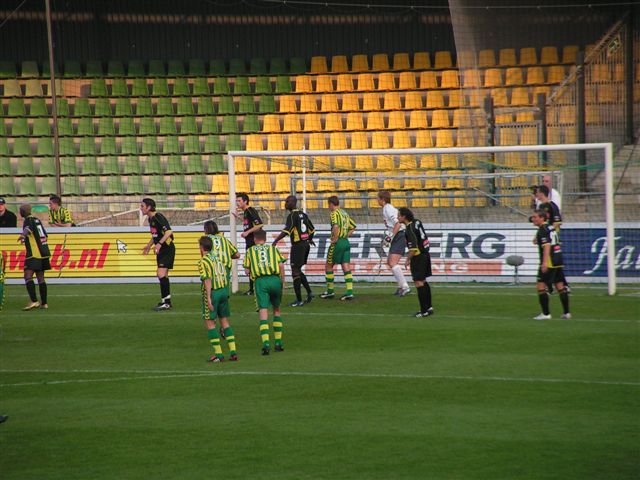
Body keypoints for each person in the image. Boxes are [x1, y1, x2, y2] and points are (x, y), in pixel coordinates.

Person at [243, 229, 286, 355]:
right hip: (275, 280)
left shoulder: (250, 251)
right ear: (265, 239)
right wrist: (282, 282)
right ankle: (278, 342)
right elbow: (281, 266)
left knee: (263, 311)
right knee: (276, 310)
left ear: (255, 239)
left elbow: (246, 270)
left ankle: (266, 343)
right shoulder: (273, 249)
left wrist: (251, 272)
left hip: (261, 282)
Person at [198, 236, 238, 363]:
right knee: (225, 322)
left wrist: (208, 297)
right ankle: (233, 352)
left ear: (201, 248)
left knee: (209, 323)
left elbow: (207, 279)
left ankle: (219, 355)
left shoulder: (203, 261)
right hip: (223, 290)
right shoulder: (218, 258)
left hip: (214, 292)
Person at [272, 195, 315, 307]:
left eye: (287, 201)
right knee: (298, 270)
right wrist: (309, 239)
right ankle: (310, 293)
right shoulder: (303, 215)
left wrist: (276, 240)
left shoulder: (292, 216)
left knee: (295, 271)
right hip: (305, 245)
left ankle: (299, 300)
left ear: (293, 203)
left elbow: (287, 231)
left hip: (298, 246)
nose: (285, 203)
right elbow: (312, 229)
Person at [530, 210, 571, 320]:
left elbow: (547, 246)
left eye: (535, 217)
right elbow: (551, 241)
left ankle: (546, 314)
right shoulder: (550, 228)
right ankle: (566, 313)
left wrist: (544, 263)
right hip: (558, 259)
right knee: (560, 286)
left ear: (542, 218)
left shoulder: (542, 230)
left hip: (550, 261)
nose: (533, 219)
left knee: (541, 286)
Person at [397, 207, 434, 318]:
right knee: (423, 280)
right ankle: (429, 307)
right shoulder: (417, 222)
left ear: (404, 217)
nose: (397, 217)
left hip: (418, 257)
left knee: (418, 282)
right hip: (426, 254)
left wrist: (407, 259)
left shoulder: (409, 229)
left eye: (399, 215)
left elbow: (413, 249)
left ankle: (423, 311)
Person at [140, 198, 175, 311]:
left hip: (167, 249)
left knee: (160, 274)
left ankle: (166, 302)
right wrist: (149, 245)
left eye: (142, 206)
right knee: (163, 275)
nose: (140, 208)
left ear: (149, 207)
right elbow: (155, 235)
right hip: (162, 249)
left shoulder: (158, 217)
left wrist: (159, 244)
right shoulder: (151, 219)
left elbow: (169, 232)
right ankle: (166, 301)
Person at [320, 196, 357, 301]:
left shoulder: (334, 214)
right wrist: (345, 235)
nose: (328, 207)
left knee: (329, 265)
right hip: (345, 242)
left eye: (328, 205)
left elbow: (335, 226)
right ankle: (349, 292)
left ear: (331, 204)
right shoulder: (344, 213)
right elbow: (353, 226)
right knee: (345, 265)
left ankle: (330, 292)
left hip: (338, 242)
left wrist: (336, 238)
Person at [377, 191, 410, 297]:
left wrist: (389, 237)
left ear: (383, 199)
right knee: (390, 261)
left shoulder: (388, 208)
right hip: (398, 235)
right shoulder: (386, 208)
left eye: (378, 198)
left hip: (399, 235)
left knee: (392, 262)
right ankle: (401, 286)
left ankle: (405, 287)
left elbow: (398, 224)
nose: (377, 200)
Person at [17, 204, 50, 310]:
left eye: (20, 211)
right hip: (44, 252)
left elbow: (27, 229)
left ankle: (34, 301)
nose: (20, 213)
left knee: (28, 276)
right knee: (40, 278)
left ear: (23, 212)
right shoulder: (37, 220)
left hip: (34, 254)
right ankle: (44, 303)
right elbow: (45, 235)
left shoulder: (28, 220)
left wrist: (23, 236)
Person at [235, 193, 263, 296]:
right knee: (251, 266)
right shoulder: (246, 212)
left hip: (253, 241)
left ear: (245, 201)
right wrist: (239, 218)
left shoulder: (250, 210)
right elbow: (249, 223)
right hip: (250, 241)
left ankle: (253, 289)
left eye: (239, 201)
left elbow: (259, 224)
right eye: (236, 201)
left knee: (252, 265)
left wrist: (247, 232)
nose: (237, 203)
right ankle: (252, 289)